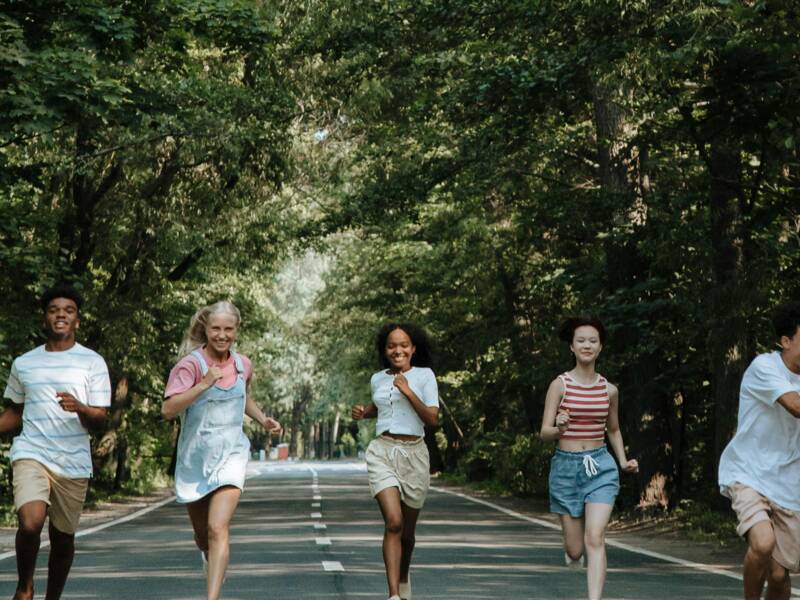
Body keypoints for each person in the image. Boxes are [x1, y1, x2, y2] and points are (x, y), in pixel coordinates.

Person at [162, 301, 281, 600]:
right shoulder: (191, 365)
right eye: (216, 328)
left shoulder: (243, 364)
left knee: (218, 528)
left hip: (231, 455)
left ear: (236, 330)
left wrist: (263, 419)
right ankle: (208, 555)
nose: (222, 335)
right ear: (205, 328)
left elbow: (244, 398)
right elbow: (168, 410)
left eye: (228, 329)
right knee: (204, 536)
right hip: (195, 457)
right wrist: (203, 384)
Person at [0, 285, 110, 600]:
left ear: (77, 320)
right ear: (45, 318)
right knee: (31, 523)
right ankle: (25, 586)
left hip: (72, 460)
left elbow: (100, 418)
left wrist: (81, 408)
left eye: (68, 310)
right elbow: (14, 413)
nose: (60, 314)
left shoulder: (92, 362)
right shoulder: (24, 363)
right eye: (53, 310)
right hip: (31, 452)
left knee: (62, 539)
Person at [539, 316, 638, 600]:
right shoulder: (560, 385)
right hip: (565, 468)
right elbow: (544, 433)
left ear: (600, 347)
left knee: (595, 536)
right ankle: (572, 551)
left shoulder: (609, 390)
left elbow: (614, 429)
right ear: (571, 346)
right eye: (580, 340)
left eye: (592, 341)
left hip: (601, 468)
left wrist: (622, 461)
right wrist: (559, 427)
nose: (587, 345)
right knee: (575, 549)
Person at [351, 323, 439, 600]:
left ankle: (403, 576)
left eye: (403, 345)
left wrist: (408, 390)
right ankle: (393, 595)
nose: (397, 350)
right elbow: (381, 406)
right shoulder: (378, 378)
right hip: (382, 452)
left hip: (414, 454)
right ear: (384, 350)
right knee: (393, 522)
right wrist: (364, 412)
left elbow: (432, 419)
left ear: (413, 348)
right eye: (391, 345)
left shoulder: (424, 376)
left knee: (408, 533)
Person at [718, 301, 800, 600]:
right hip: (749, 473)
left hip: (790, 484)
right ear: (786, 341)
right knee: (763, 543)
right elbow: (795, 406)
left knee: (779, 577)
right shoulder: (765, 367)